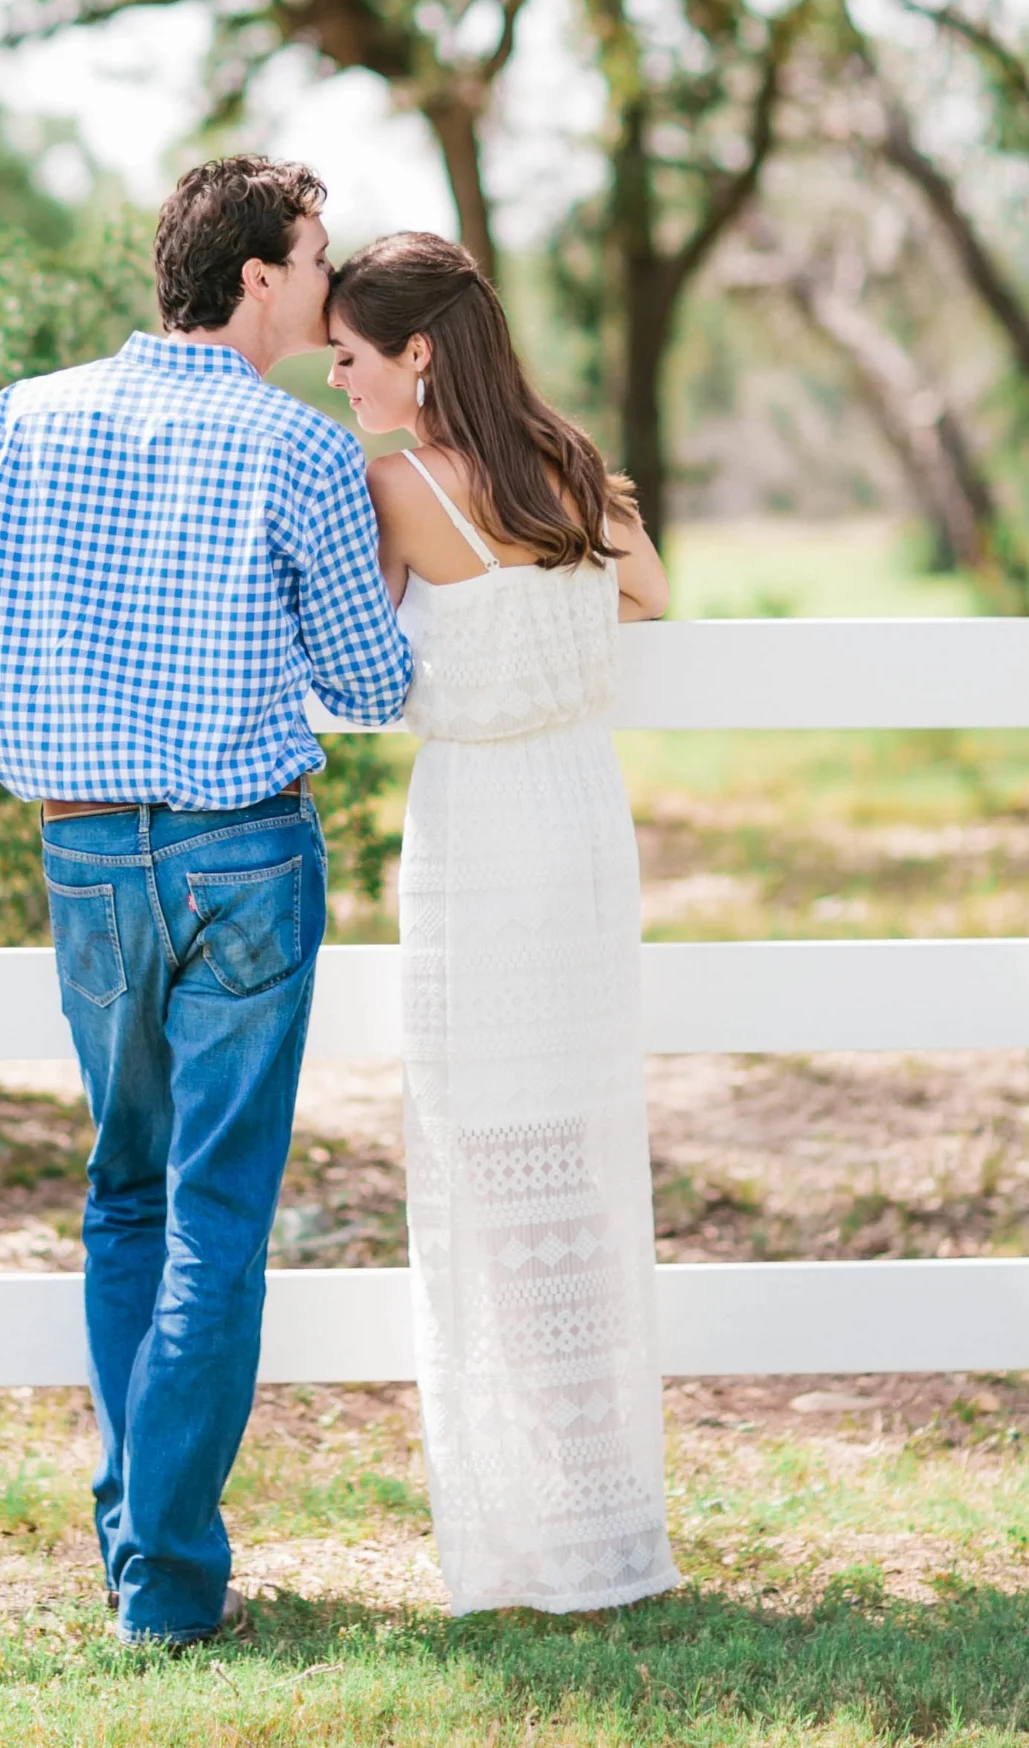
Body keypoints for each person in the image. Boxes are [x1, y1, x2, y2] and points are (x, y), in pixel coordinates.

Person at [0, 157, 411, 1649]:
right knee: (213, 1215)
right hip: (243, 859)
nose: (331, 281)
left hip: (89, 860)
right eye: (316, 254)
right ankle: (161, 1573)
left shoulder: (28, 419)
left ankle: (138, 1545)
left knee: (124, 1195)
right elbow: (367, 682)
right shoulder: (296, 454)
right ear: (257, 281)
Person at [326, 230, 679, 1617]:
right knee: (575, 1152)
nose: (338, 380)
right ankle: (598, 1500)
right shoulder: (566, 465)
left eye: (350, 357)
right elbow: (646, 592)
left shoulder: (395, 484)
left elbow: (356, 661)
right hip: (579, 823)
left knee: (489, 1155)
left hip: (476, 833)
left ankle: (538, 1515)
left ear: (415, 354)